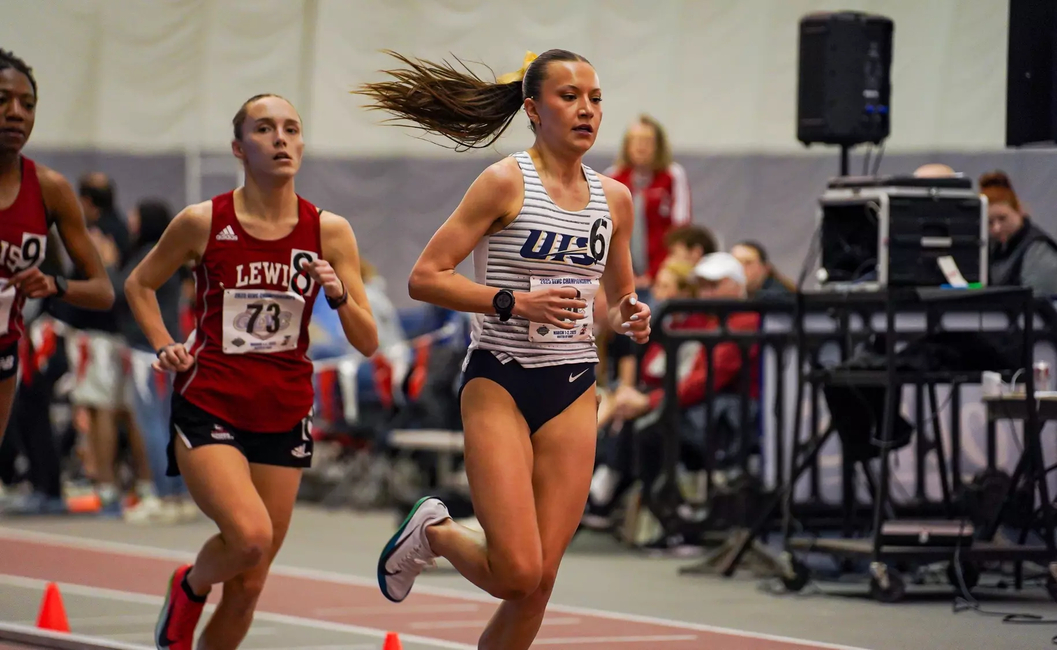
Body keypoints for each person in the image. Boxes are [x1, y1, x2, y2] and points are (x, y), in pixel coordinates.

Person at [357, 49, 651, 650]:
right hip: (501, 381)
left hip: (572, 385)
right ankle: (435, 532)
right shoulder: (504, 181)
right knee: (515, 571)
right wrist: (512, 302)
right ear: (533, 109)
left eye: (595, 98)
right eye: (569, 97)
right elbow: (426, 276)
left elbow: (621, 295)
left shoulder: (615, 199)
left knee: (538, 583)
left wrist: (631, 316)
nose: (587, 110)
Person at [124, 93, 378, 650]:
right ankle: (188, 586)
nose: (281, 138)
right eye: (265, 129)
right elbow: (139, 284)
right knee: (249, 537)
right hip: (211, 402)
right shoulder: (202, 221)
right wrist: (164, 342)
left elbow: (368, 341)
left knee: (248, 585)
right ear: (240, 148)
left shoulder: (329, 231)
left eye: (292, 128)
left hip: (283, 413)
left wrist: (337, 293)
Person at [0, 49, 114, 445]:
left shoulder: (50, 189)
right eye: (2, 100)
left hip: (4, 353)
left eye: (27, 104)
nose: (16, 112)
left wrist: (54, 285)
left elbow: (103, 291)